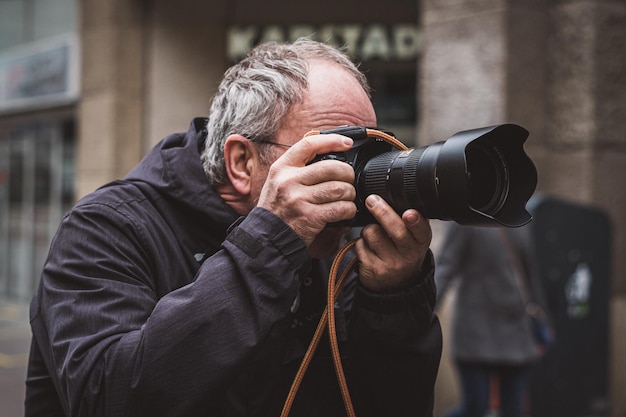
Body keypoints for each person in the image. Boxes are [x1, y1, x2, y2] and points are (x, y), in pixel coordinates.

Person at [25, 38, 442, 417]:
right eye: (327, 157)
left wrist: (394, 300)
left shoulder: (338, 247)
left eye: (365, 154)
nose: (348, 182)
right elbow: (106, 399)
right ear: (242, 162)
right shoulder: (106, 227)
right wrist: (270, 244)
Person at [434, 222, 548, 417]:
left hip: (516, 331)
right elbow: (445, 268)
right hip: (476, 331)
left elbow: (531, 275)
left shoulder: (519, 219)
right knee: (475, 409)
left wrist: (543, 320)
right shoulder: (465, 218)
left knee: (513, 410)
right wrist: (421, 311)